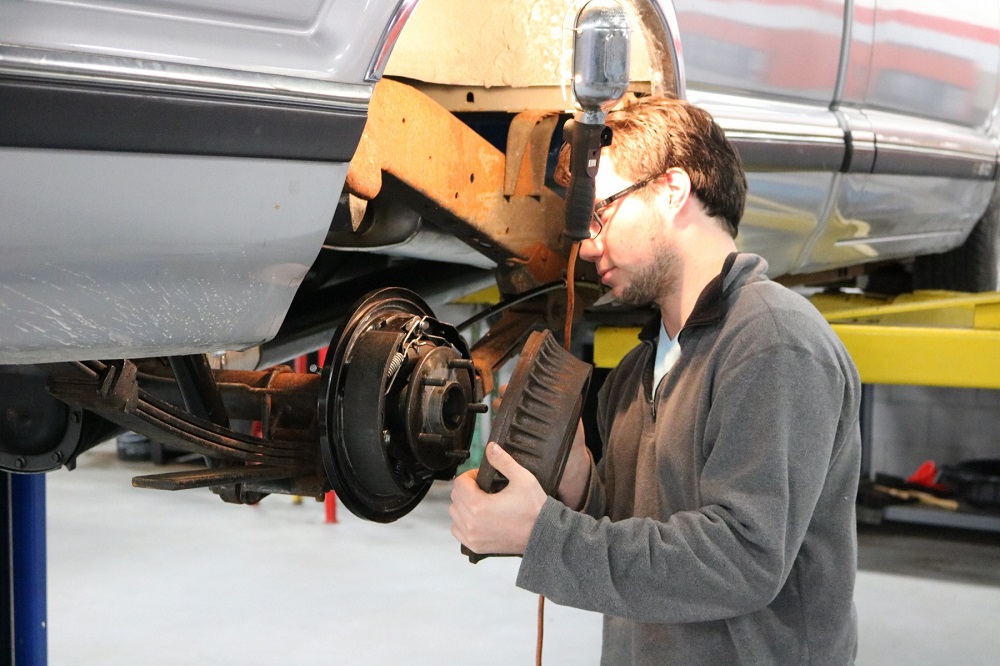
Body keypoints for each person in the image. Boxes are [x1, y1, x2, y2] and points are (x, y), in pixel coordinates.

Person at [449, 96, 862, 664]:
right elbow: (637, 543)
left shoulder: (774, 342)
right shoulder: (635, 374)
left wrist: (541, 535)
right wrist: (577, 485)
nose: (589, 245)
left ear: (673, 190)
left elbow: (742, 558)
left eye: (603, 211)